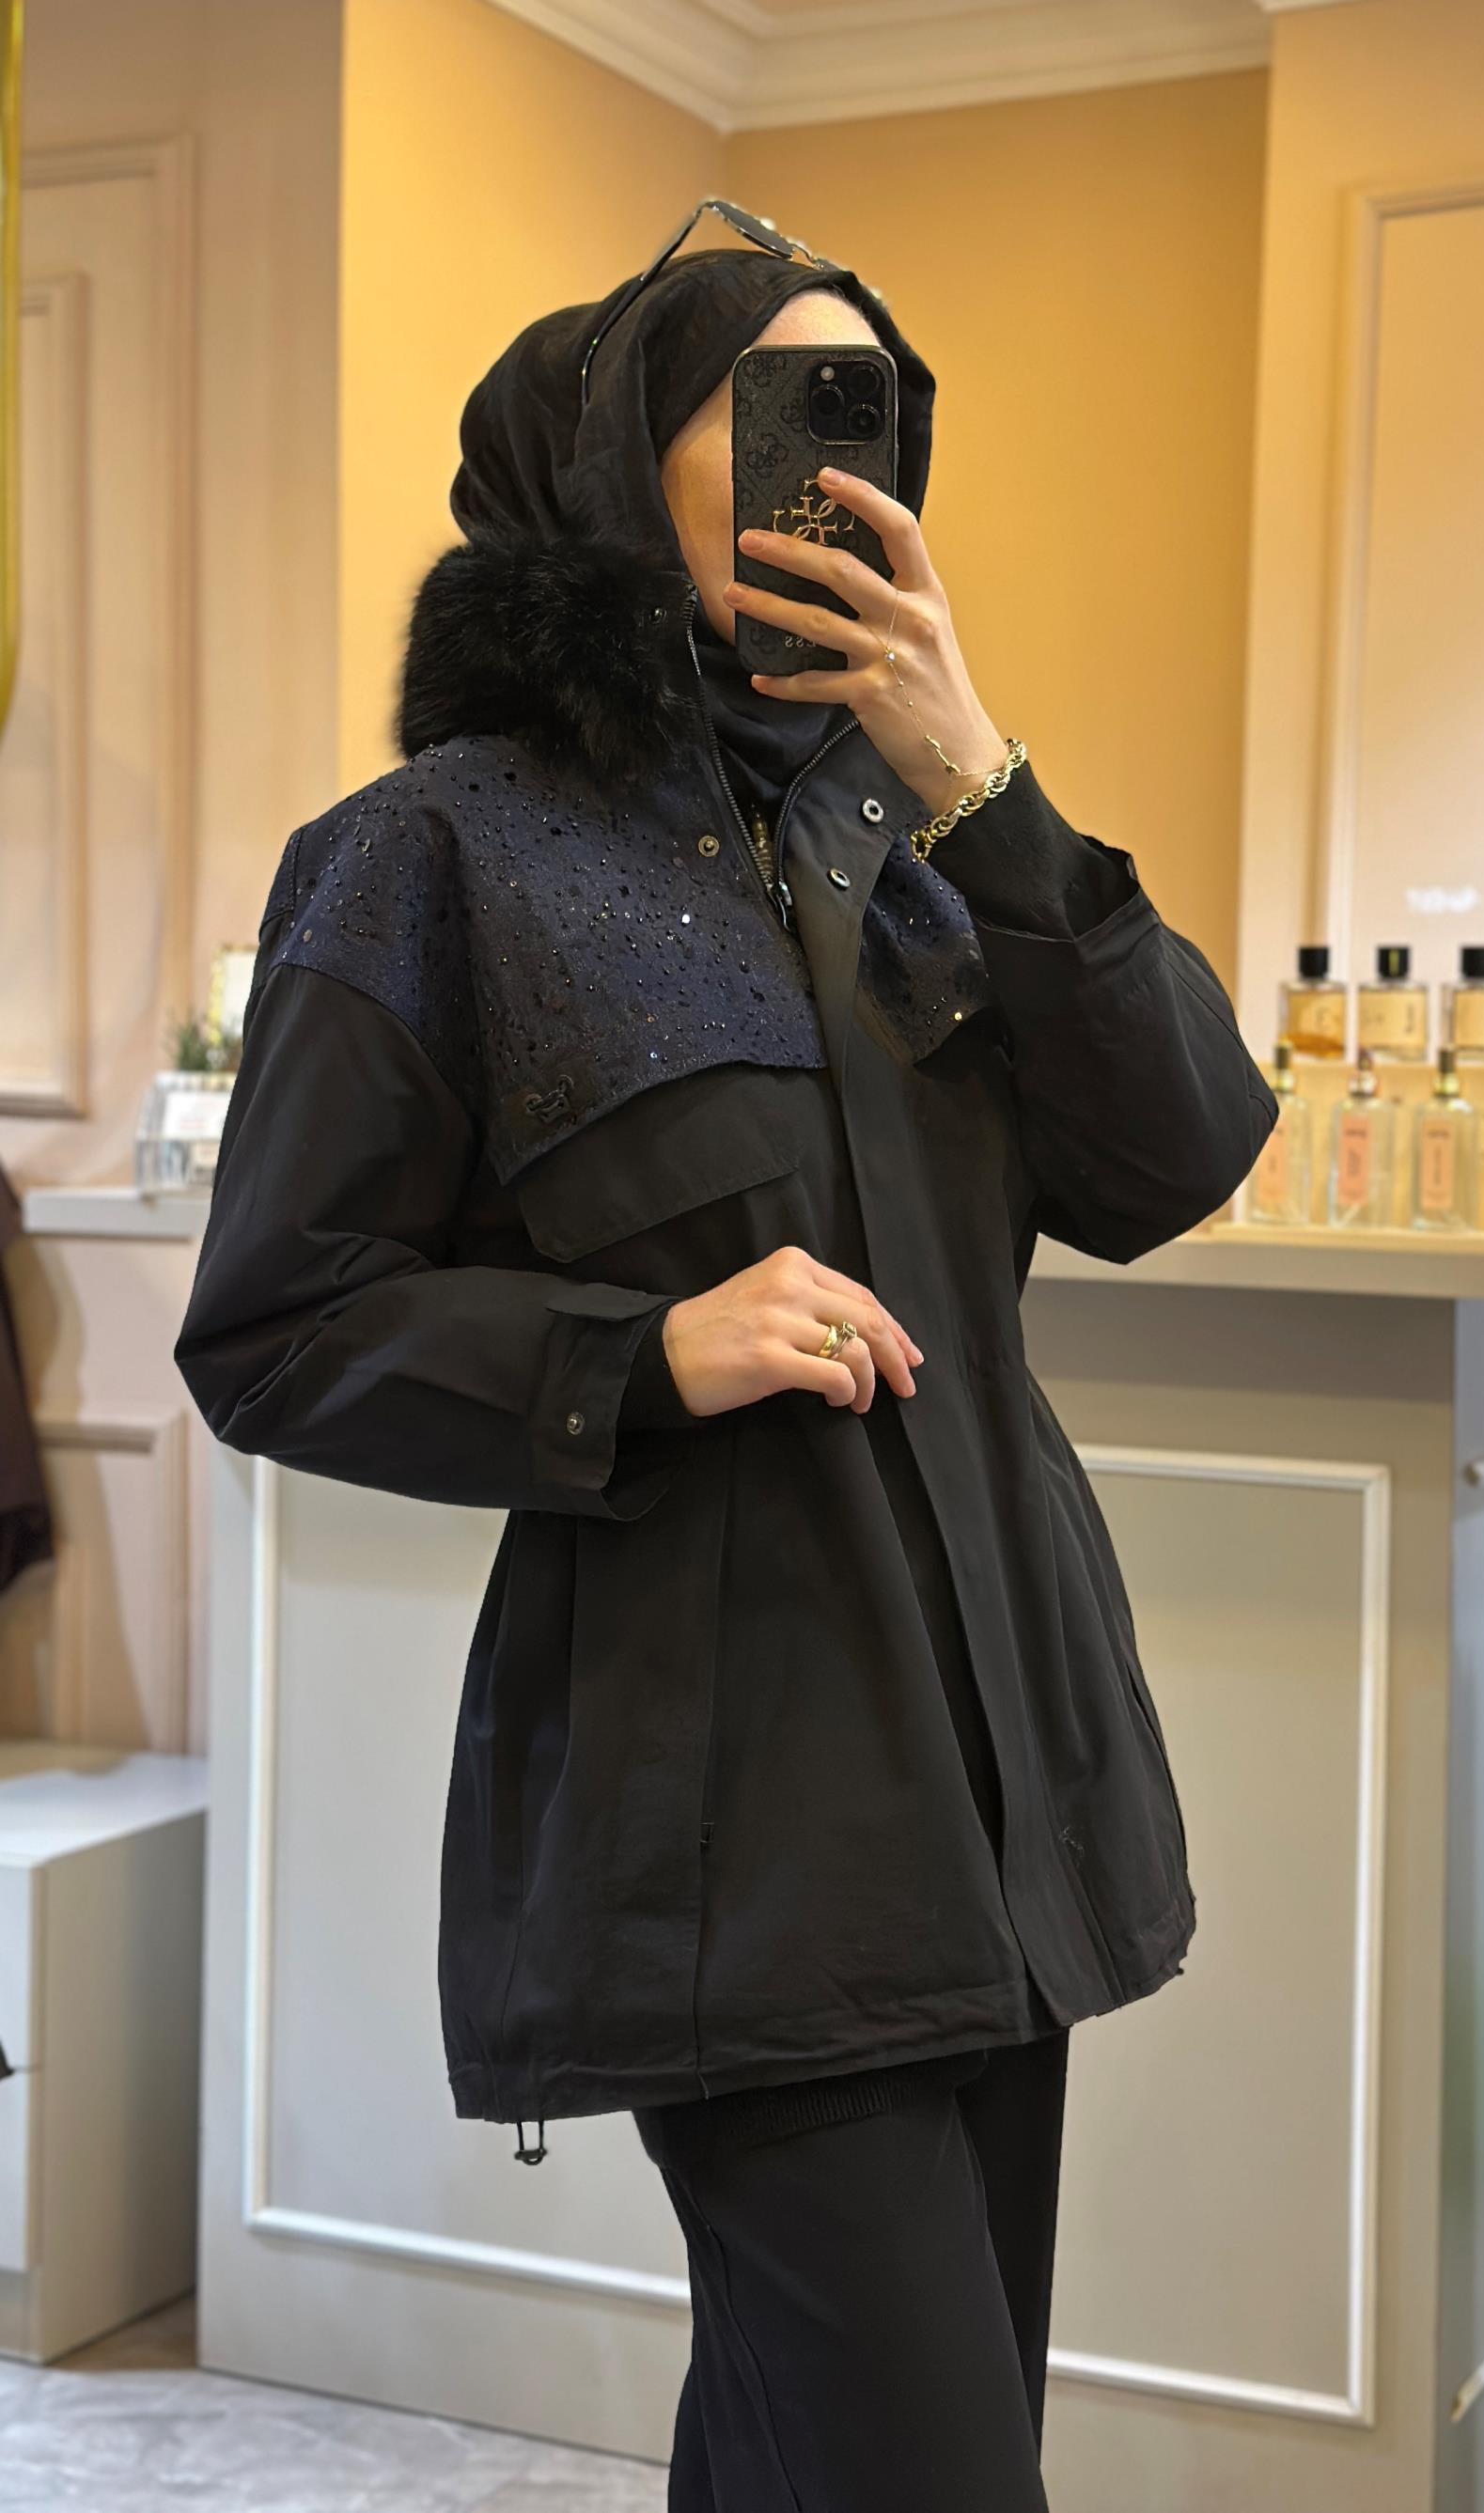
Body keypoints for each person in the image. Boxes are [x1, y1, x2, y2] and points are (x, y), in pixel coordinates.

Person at [174, 201, 1279, 2509]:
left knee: (812, 2453)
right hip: (740, 1821)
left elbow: (1179, 1152)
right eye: (775, 401)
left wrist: (987, 774)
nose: (832, 459)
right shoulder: (436, 855)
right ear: (617, 459)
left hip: (1007, 1779)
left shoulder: (920, 833)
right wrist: (643, 1347)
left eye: (868, 409)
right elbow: (277, 1321)